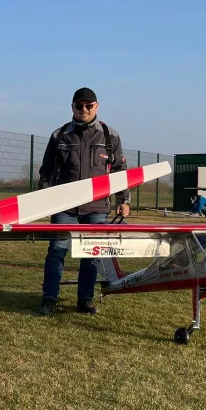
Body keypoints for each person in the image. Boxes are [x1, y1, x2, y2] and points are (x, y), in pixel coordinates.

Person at [35, 87, 129, 316]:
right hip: (64, 208)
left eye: (88, 105)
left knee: (91, 254)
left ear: (97, 106)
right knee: (57, 251)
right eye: (79, 106)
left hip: (97, 207)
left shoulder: (110, 136)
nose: (84, 110)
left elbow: (120, 171)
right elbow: (46, 173)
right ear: (72, 107)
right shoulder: (59, 136)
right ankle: (49, 299)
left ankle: (85, 300)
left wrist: (123, 199)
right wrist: (45, 200)